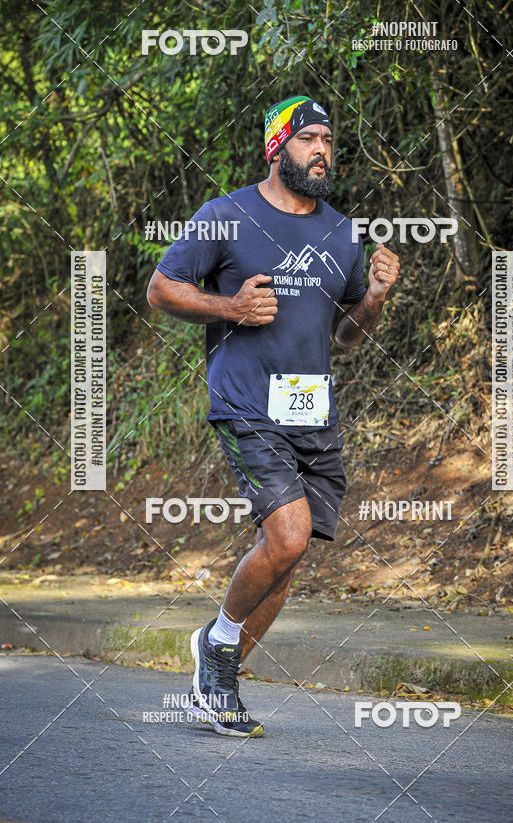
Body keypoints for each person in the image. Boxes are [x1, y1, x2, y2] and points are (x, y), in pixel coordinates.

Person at [147, 95, 399, 737]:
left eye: (329, 141)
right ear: (277, 146)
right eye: (309, 138)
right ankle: (218, 643)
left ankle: (218, 677)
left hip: (311, 408)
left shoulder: (342, 231)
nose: (322, 151)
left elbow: (347, 334)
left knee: (287, 554)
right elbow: (161, 288)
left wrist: (373, 296)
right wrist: (230, 308)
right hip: (246, 402)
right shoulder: (226, 216)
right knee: (287, 536)